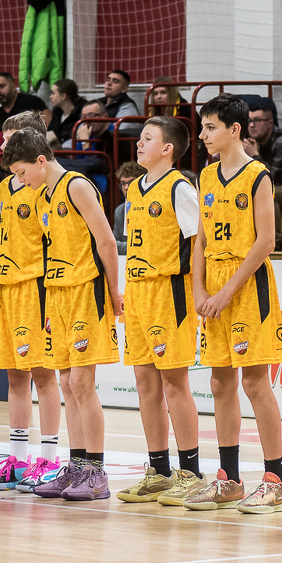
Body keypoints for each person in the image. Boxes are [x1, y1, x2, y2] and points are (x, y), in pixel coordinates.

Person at [186, 94, 282, 513]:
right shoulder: (206, 176)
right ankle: (228, 479)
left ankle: (275, 480)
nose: (203, 135)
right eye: (202, 127)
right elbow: (201, 239)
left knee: (255, 383)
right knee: (219, 382)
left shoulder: (257, 175)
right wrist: (198, 289)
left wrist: (226, 292)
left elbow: (266, 241)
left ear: (234, 130)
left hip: (248, 287)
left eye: (211, 127)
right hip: (213, 285)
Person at [7, 127, 120, 499]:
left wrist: (113, 291)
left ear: (41, 161)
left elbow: (106, 240)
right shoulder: (43, 194)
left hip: (86, 290)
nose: (21, 180)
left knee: (83, 384)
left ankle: (97, 473)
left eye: (22, 172)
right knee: (68, 384)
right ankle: (77, 465)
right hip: (57, 293)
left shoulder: (77, 186)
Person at [109, 117, 204, 505]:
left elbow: (199, 243)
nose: (138, 143)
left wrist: (198, 289)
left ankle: (191, 472)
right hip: (138, 293)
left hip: (170, 293)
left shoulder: (180, 188)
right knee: (145, 383)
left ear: (168, 149)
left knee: (174, 383)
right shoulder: (135, 190)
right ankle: (159, 471)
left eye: (147, 138)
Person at [0, 124, 66, 493]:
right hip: (6, 285)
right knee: (14, 376)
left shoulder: (46, 185)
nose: (6, 144)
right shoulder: (3, 186)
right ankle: (17, 459)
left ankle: (50, 459)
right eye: (5, 138)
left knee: (43, 374)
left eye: (13, 139)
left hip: (36, 283)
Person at [100, 68, 143, 139]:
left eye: (115, 82)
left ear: (124, 89)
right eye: (108, 80)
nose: (109, 83)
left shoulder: (128, 107)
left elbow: (122, 134)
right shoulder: (98, 102)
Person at [113, 160, 146, 250]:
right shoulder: (120, 210)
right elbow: (114, 244)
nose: (126, 187)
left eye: (131, 182)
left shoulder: (151, 206)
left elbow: (151, 245)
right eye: (123, 183)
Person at [48, 78, 86, 150]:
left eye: (53, 93)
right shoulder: (57, 115)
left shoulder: (81, 115)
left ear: (63, 96)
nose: (51, 96)